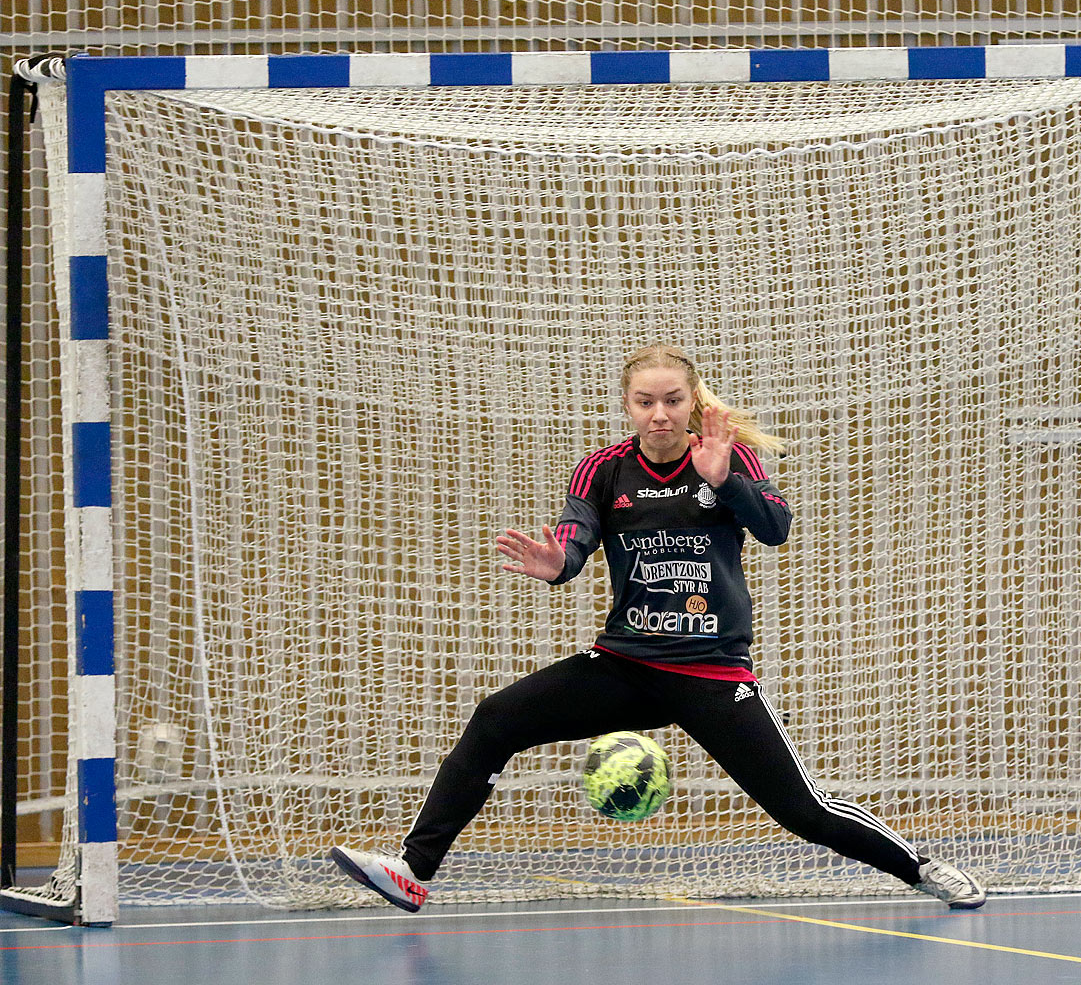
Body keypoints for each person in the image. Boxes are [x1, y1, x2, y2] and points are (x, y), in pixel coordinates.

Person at [330, 343, 986, 912]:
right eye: (645, 402)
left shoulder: (724, 458)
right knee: (497, 717)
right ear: (628, 406)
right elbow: (575, 537)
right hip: (626, 666)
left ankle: (919, 868)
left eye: (672, 400)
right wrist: (559, 561)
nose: (660, 414)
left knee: (802, 812)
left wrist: (725, 480)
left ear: (691, 401)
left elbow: (775, 529)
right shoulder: (605, 468)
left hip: (712, 672)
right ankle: (414, 872)